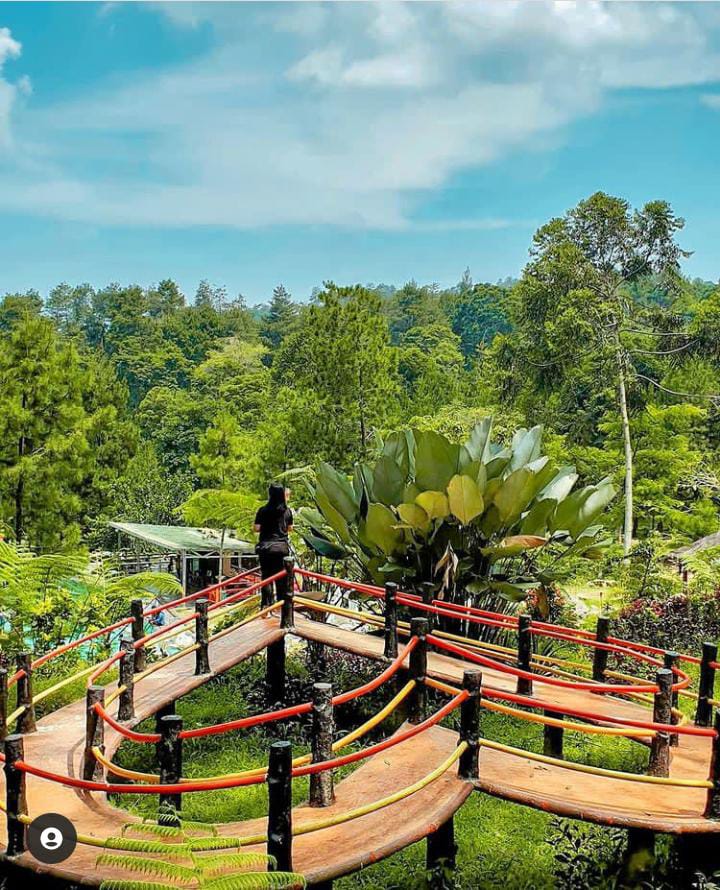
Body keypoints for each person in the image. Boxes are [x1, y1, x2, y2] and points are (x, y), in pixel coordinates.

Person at [254, 483, 293, 602]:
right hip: (281, 548)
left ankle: (266, 605)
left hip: (266, 548)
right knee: (282, 578)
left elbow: (256, 528)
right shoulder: (287, 511)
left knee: (266, 577)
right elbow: (290, 528)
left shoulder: (263, 510)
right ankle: (282, 605)